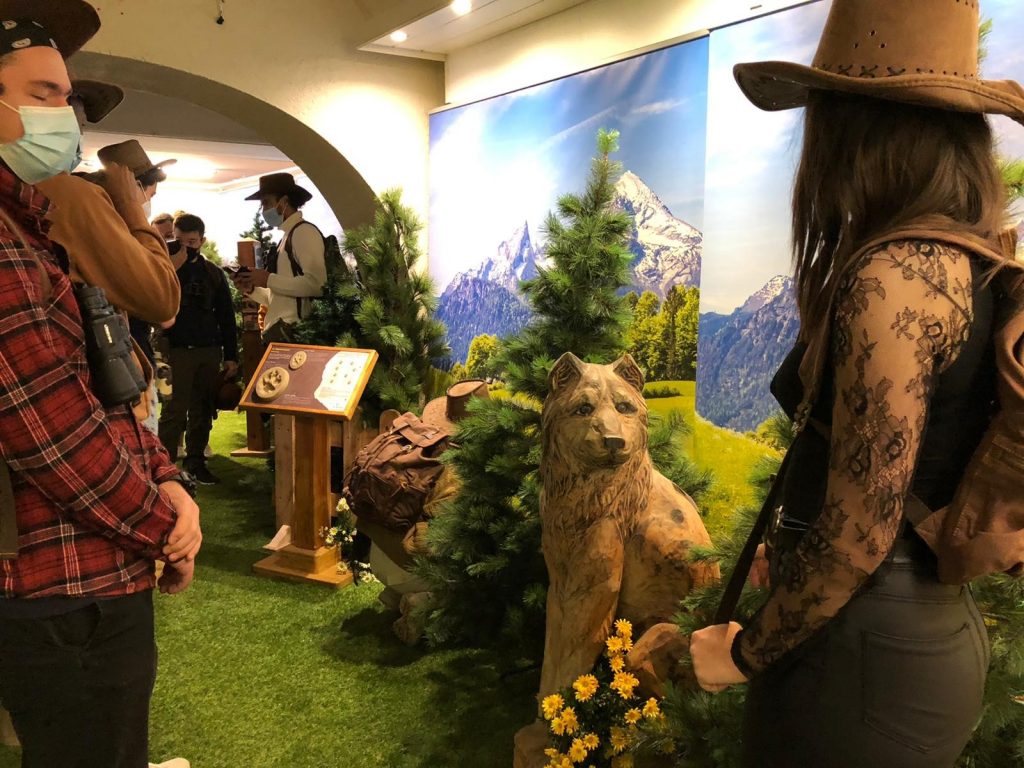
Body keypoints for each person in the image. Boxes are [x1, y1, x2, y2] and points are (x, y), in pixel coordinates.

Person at [689, 2, 1022, 766]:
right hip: (911, 635)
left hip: (862, 657)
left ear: (857, 128)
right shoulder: (969, 262)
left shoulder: (892, 277)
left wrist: (743, 654)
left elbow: (858, 534)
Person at [0, 4, 201, 767]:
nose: (65, 117)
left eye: (67, 98)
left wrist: (165, 476)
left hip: (82, 556)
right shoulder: (65, 208)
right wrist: (166, 522)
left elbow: (94, 374)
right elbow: (49, 428)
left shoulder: (31, 220)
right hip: (65, 575)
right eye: (46, 94)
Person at [38, 91, 180, 436]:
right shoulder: (73, 196)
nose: (78, 135)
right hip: (92, 395)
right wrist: (131, 210)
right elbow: (163, 300)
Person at [158, 213, 239, 485]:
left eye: (191, 242)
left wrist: (231, 356)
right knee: (173, 412)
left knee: (203, 409)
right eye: (178, 241)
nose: (185, 247)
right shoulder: (164, 268)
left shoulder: (213, 273)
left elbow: (226, 316)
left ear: (202, 241)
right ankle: (164, 468)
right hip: (176, 350)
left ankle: (195, 462)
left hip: (208, 349)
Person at [233, 172, 326, 343]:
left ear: (283, 202)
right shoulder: (286, 237)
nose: (263, 210)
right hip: (282, 334)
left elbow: (316, 285)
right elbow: (278, 299)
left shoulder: (303, 232)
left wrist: (268, 278)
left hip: (296, 335)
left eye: (266, 202)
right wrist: (251, 289)